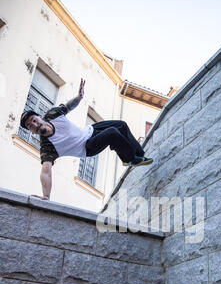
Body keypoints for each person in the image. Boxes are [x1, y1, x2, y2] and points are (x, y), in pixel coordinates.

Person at [19, 78, 153, 200]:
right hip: (87, 147)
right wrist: (46, 196)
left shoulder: (52, 114)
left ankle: (139, 155)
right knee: (112, 133)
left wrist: (79, 97)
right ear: (32, 131)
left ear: (40, 116)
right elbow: (46, 171)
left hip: (91, 130)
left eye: (34, 120)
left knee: (121, 125)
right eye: (31, 126)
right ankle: (130, 159)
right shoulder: (47, 147)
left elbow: (68, 107)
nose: (35, 125)